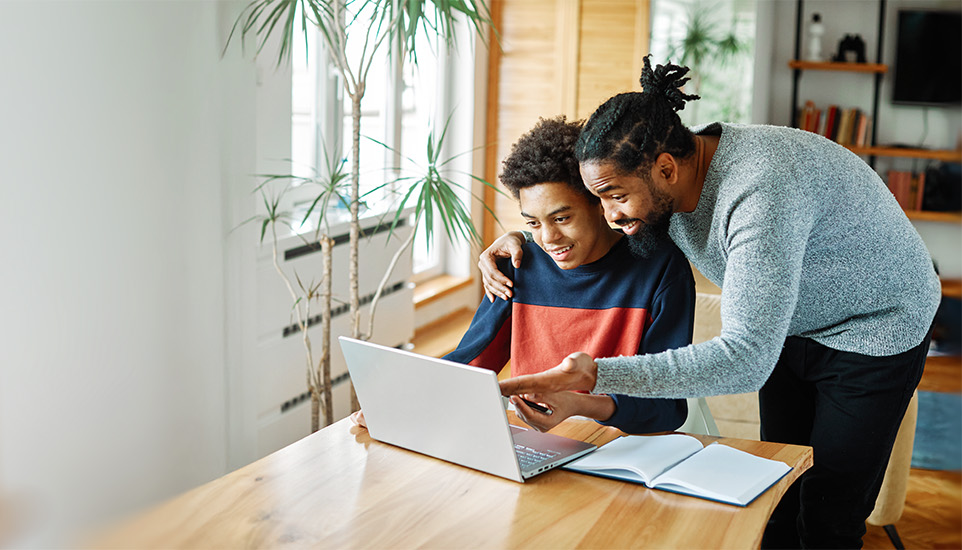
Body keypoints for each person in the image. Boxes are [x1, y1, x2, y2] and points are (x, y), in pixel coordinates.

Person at [478, 58, 940, 548]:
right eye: (600, 200)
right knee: (780, 486)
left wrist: (595, 374)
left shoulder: (760, 190)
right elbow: (592, 233)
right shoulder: (657, 172)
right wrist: (522, 241)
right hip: (790, 323)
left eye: (613, 198)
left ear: (666, 169)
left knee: (830, 511)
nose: (609, 215)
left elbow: (745, 360)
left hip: (876, 324)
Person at [353, 116, 695, 435]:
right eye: (532, 223)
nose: (547, 239)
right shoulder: (517, 264)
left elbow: (666, 408)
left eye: (562, 219)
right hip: (536, 447)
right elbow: (471, 362)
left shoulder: (661, 269)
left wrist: (578, 404)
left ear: (599, 201)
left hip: (622, 447)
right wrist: (399, 401)